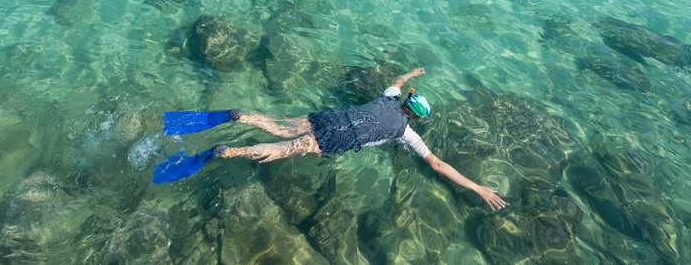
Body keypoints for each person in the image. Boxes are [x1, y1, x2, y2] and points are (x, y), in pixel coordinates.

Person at [212, 67, 506, 211]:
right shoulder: (405, 133)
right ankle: (231, 152)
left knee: (284, 129)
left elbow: (397, 82)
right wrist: (477, 187)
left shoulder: (390, 97)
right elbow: (437, 165)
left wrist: (411, 73)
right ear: (414, 117)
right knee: (285, 150)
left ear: (406, 100)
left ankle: (244, 117)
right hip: (340, 139)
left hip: (333, 118)